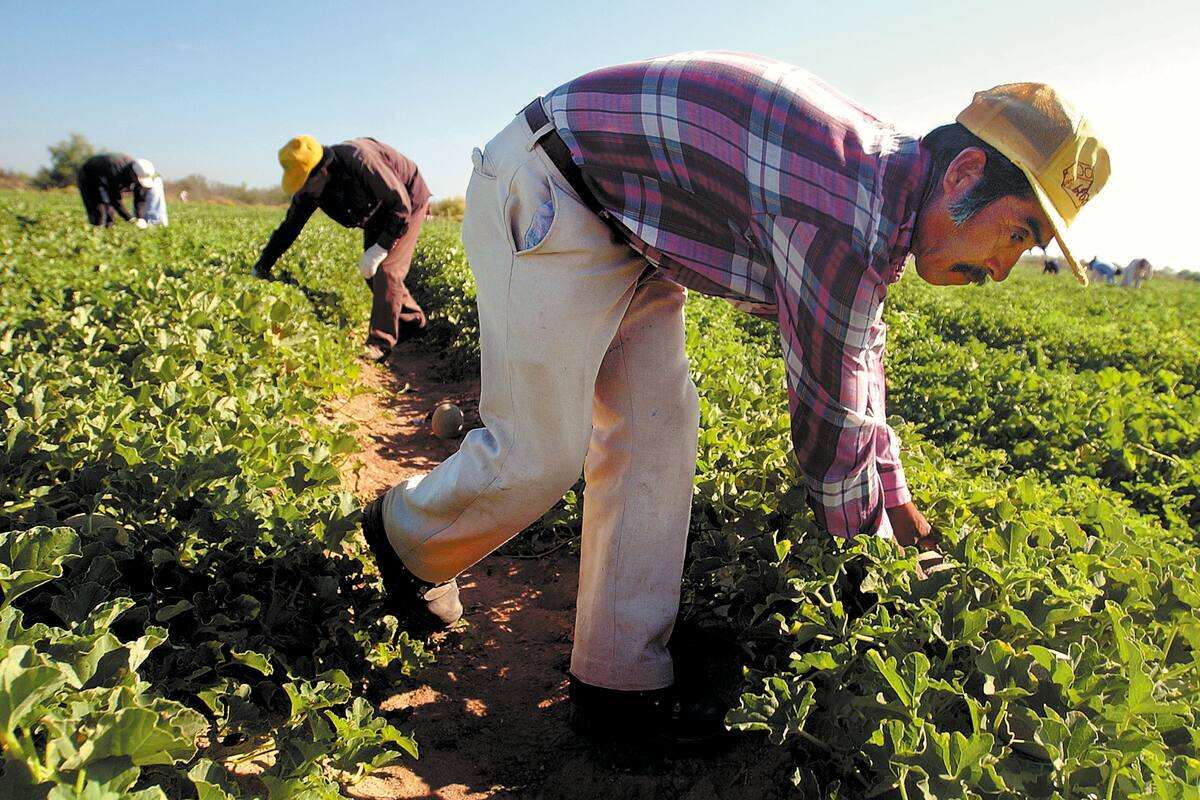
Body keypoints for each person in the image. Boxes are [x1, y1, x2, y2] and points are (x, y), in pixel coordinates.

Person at [360, 52, 1110, 747]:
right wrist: (872, 567)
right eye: (1017, 232)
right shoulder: (846, 206)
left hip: (632, 222)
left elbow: (861, 349)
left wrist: (895, 490)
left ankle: (619, 684)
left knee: (657, 432)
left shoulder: (886, 188)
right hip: (553, 183)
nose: (1005, 268)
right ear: (964, 173)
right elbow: (828, 412)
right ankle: (403, 536)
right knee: (538, 453)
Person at [251, 136, 432, 362]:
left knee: (387, 269)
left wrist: (382, 247)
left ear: (323, 171)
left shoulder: (361, 161)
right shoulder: (310, 189)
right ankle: (413, 323)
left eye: (306, 182)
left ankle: (380, 343)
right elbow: (290, 227)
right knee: (372, 272)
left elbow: (399, 204)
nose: (304, 189)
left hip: (406, 202)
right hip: (379, 209)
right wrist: (262, 265)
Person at [77, 154, 156, 228]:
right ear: (132, 174)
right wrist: (130, 219)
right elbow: (114, 199)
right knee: (99, 211)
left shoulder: (141, 174)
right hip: (88, 177)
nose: (139, 183)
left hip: (106, 180)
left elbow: (141, 199)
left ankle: (108, 232)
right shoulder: (115, 170)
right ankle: (96, 232)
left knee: (110, 214)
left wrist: (140, 218)